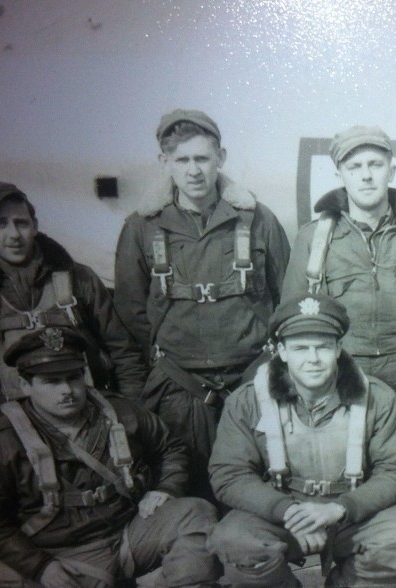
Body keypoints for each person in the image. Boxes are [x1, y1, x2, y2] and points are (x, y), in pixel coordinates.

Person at [207, 293, 396, 587]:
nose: (313, 359)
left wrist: (340, 508)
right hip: (284, 512)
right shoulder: (248, 401)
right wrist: (287, 511)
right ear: (281, 350)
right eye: (301, 348)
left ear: (338, 348)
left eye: (323, 347)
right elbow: (228, 474)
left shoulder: (377, 397)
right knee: (234, 539)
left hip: (352, 512)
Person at [0, 327, 221, 587]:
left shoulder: (119, 411)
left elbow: (169, 446)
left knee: (195, 514)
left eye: (73, 377)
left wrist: (166, 488)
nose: (67, 390)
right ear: (25, 385)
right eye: (51, 382)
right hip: (65, 554)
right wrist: (39, 566)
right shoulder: (2, 442)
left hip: (130, 531)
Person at [114, 109, 290, 497]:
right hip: (180, 390)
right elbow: (131, 313)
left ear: (220, 159)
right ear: (165, 163)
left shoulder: (258, 221)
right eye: (182, 160)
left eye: (202, 158)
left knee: (257, 494)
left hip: (251, 382)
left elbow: (286, 301)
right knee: (188, 494)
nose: (193, 170)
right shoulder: (141, 228)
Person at [282, 124, 396, 463]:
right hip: (340, 380)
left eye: (375, 165)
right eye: (355, 167)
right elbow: (292, 322)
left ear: (390, 170)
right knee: (342, 481)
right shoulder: (314, 239)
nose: (366, 176)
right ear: (340, 173)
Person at [0, 181, 147, 447]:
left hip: (92, 427)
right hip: (12, 434)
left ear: (34, 225)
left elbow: (123, 352)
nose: (14, 234)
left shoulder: (79, 279)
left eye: (21, 223)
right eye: (0, 224)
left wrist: (131, 416)